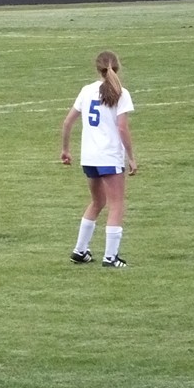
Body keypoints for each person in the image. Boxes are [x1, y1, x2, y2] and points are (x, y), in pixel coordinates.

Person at [60, 50, 137, 268]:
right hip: (109, 156)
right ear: (117, 67)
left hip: (89, 157)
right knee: (116, 204)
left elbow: (67, 122)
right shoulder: (120, 93)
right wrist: (131, 157)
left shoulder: (86, 91)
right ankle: (110, 257)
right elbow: (122, 128)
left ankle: (80, 250)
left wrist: (65, 149)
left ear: (97, 68)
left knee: (98, 201)